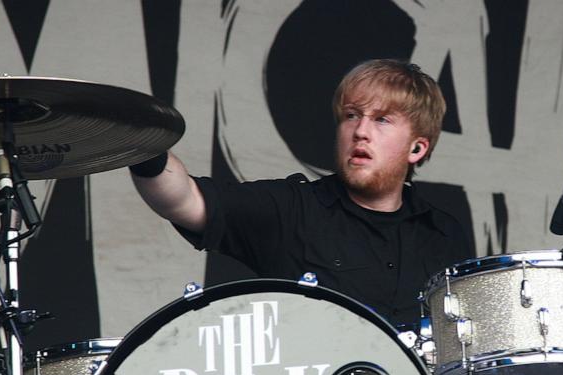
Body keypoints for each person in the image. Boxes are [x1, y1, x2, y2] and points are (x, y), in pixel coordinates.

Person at [129, 59, 473, 327]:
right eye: (351, 115)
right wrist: (139, 141)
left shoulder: (443, 234)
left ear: (417, 148)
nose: (360, 131)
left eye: (382, 120)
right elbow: (183, 199)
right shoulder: (292, 209)